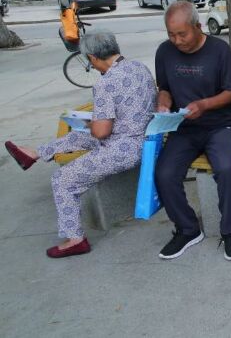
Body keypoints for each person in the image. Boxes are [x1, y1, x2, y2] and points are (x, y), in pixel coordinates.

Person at [4, 31, 156, 258]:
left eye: (89, 61)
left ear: (93, 57)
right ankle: (34, 154)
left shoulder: (105, 83)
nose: (91, 65)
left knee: (62, 180)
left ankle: (75, 239)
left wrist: (91, 123)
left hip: (124, 149)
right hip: (145, 139)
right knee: (77, 137)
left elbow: (101, 132)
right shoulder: (139, 68)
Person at [154, 1, 231, 261]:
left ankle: (229, 230)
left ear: (198, 26)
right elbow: (164, 88)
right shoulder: (164, 52)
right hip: (183, 127)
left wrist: (204, 105)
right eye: (171, 34)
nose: (177, 41)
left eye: (182, 34)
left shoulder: (219, 50)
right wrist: (163, 103)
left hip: (219, 124)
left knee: (227, 169)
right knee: (164, 174)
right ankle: (188, 229)